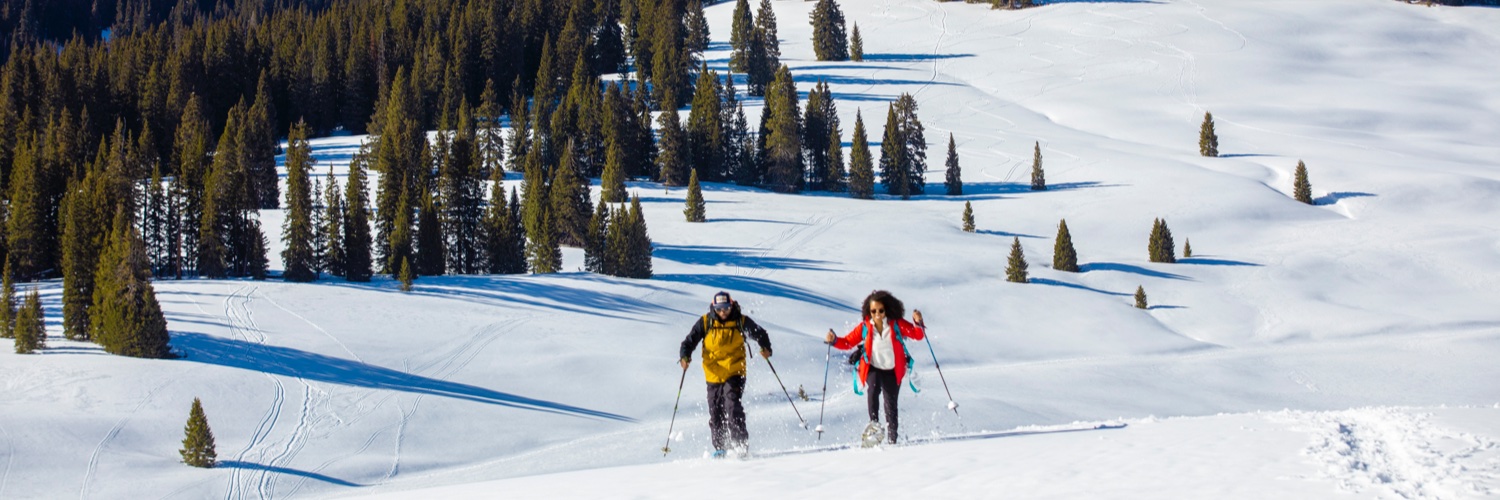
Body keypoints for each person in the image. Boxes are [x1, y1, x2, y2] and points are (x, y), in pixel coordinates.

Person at [825, 290, 924, 445]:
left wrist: (918, 322)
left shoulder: (896, 324)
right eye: (873, 311)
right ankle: (874, 427)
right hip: (873, 368)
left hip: (893, 370)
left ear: (887, 309)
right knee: (873, 391)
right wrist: (834, 340)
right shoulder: (865, 327)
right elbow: (847, 342)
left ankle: (892, 440)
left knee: (891, 407)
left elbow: (917, 335)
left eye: (880, 310)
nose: (877, 314)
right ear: (868, 311)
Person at [679, 291, 772, 456]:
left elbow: (760, 333)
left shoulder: (740, 321)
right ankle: (721, 448)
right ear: (714, 308)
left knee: (732, 404)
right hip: (713, 374)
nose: (723, 312)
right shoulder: (706, 322)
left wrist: (765, 348)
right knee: (715, 411)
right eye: (720, 309)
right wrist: (685, 356)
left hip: (735, 371)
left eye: (726, 308)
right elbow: (689, 341)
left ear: (732, 306)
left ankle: (740, 445)